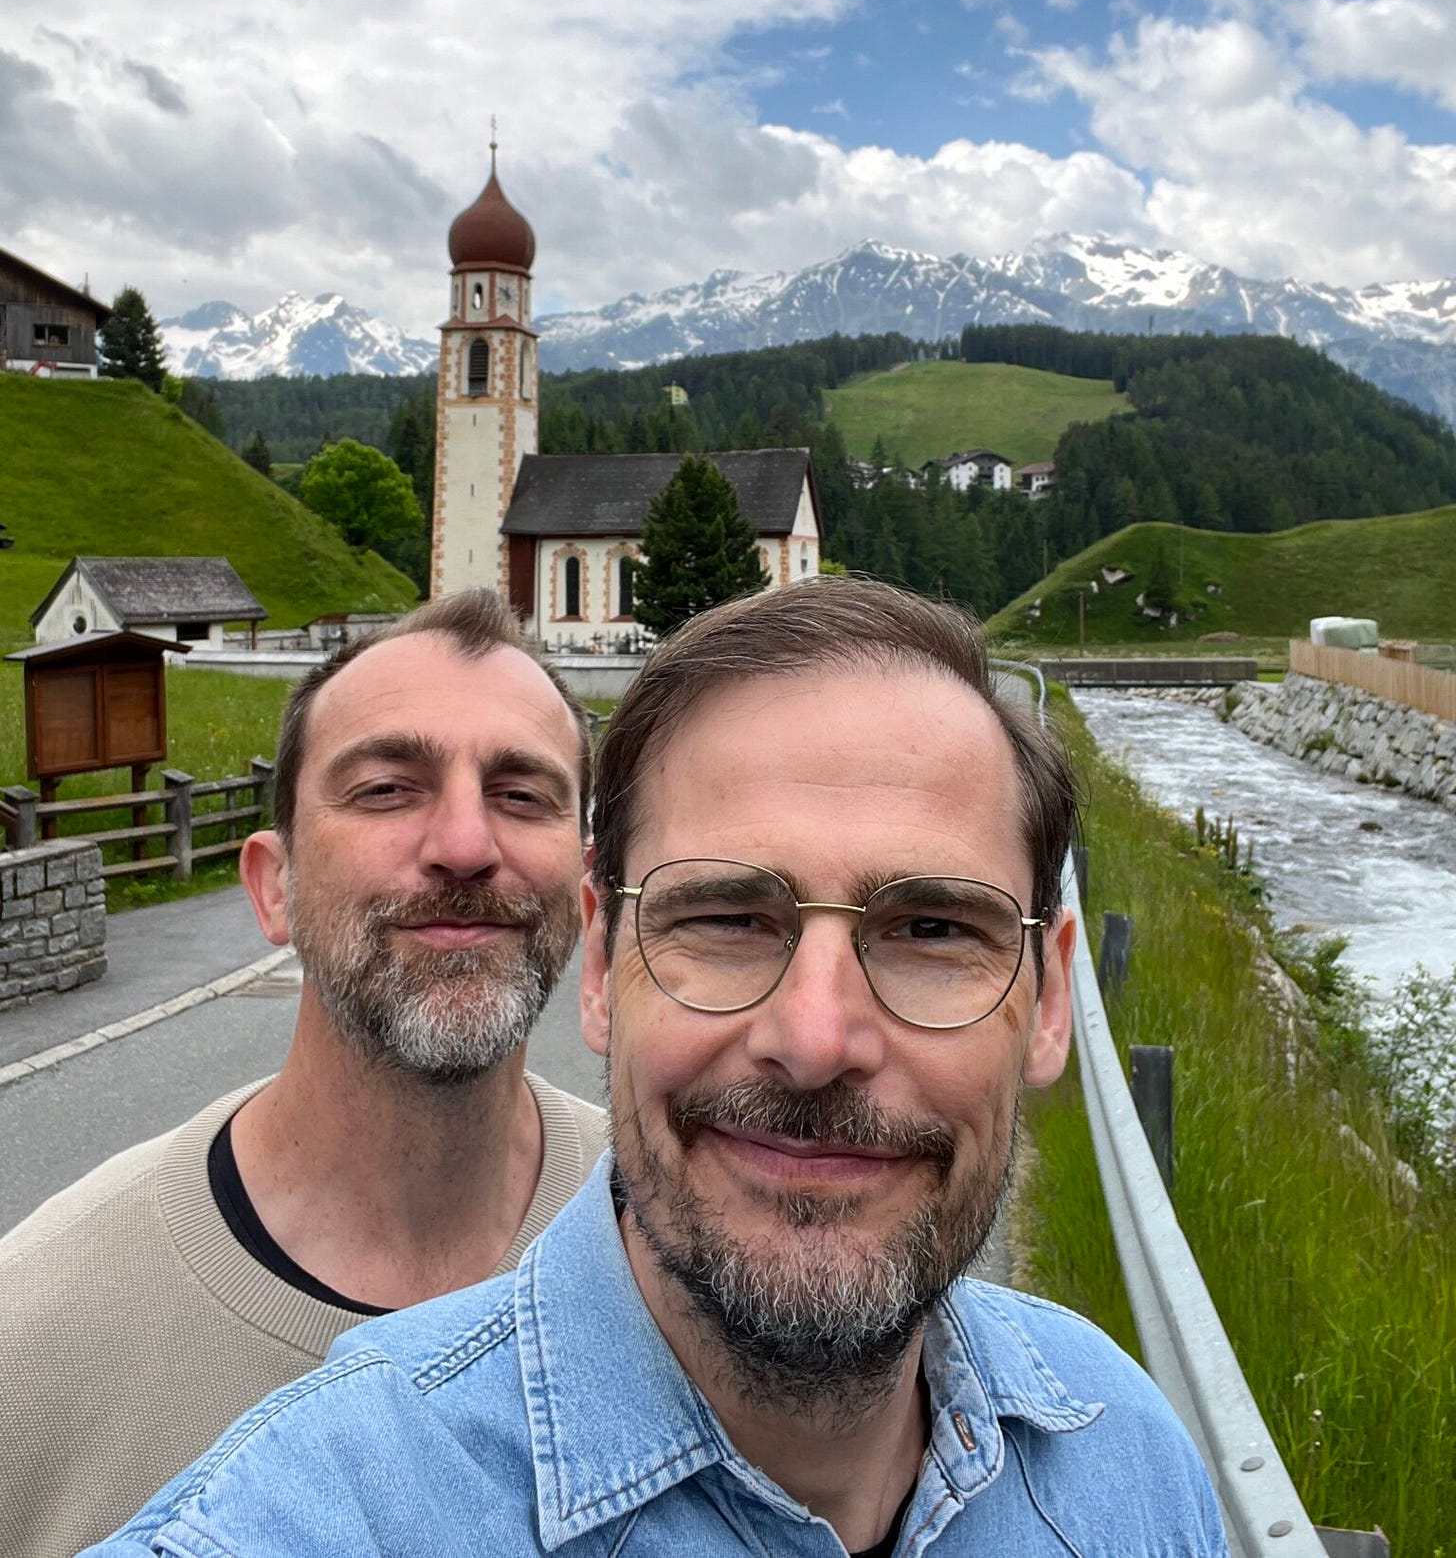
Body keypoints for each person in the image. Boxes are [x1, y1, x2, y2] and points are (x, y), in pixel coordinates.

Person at [89, 577, 1227, 1556]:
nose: (817, 1038)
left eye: (931, 930)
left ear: (1045, 1002)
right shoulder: (313, 1516)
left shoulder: (1125, 1465)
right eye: (728, 917)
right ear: (596, 963)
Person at [1, 590, 606, 1558]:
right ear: (271, 886)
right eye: (385, 789)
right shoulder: (27, 1348)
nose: (463, 845)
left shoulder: (675, 1247)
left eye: (521, 794)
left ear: (583, 893)